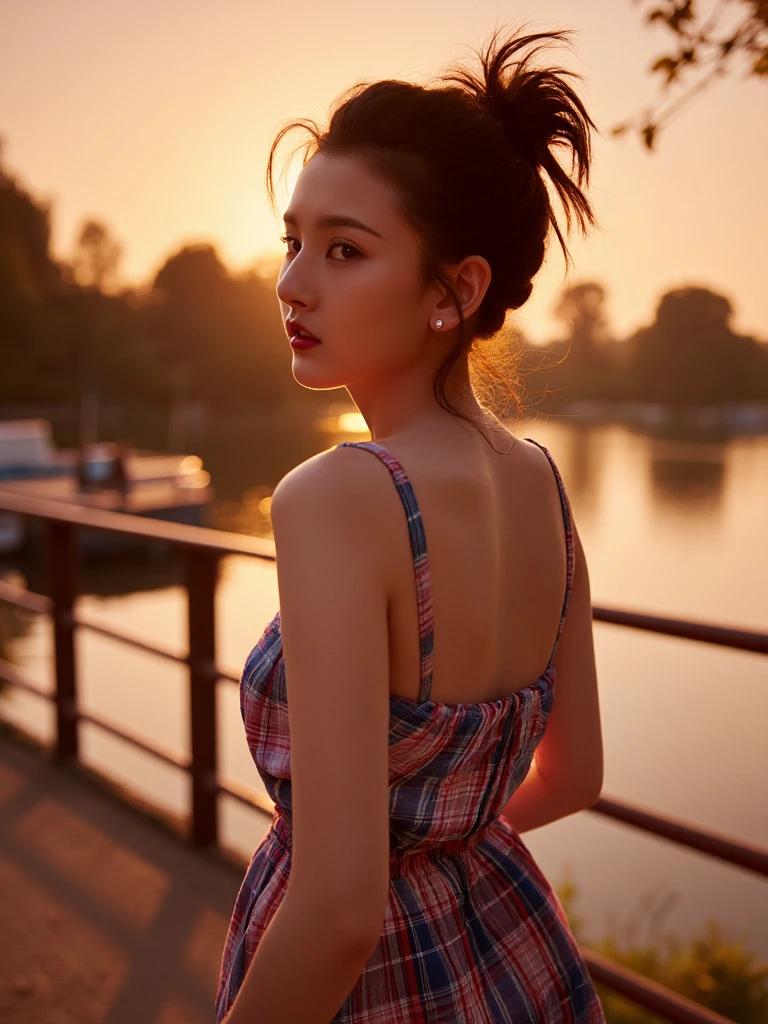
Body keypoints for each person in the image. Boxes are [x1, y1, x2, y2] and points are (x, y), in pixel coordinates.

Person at [216, 23, 605, 1024]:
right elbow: (576, 774)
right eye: (293, 240)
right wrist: (441, 861)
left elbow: (341, 911)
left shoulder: (339, 497)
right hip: (509, 949)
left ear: (456, 289)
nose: (293, 283)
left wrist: (381, 884)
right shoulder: (546, 486)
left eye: (344, 249)